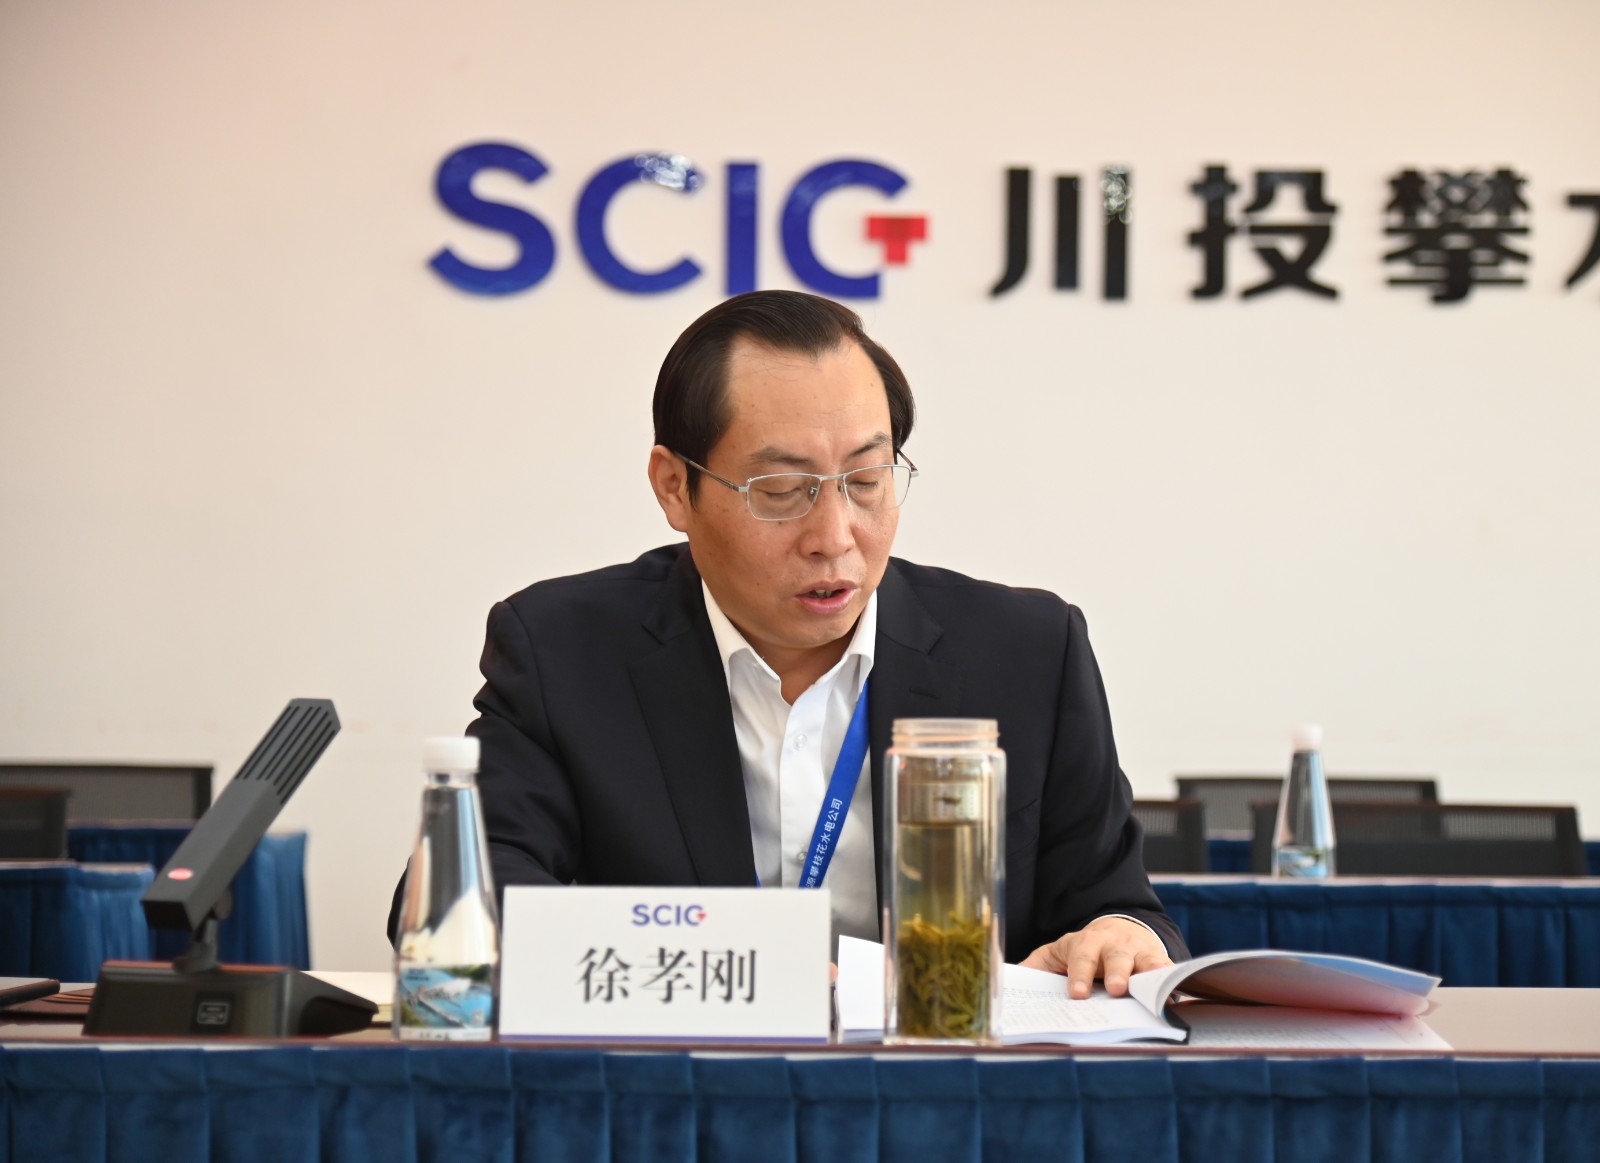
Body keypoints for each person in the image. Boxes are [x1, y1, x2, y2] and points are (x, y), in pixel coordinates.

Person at [390, 290, 1186, 998]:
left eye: (867, 479)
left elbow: (1117, 905)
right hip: (677, 1089)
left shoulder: (1027, 653)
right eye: (780, 491)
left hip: (943, 1087)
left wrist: (1119, 936)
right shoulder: (565, 650)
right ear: (674, 486)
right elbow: (461, 902)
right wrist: (740, 966)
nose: (834, 535)